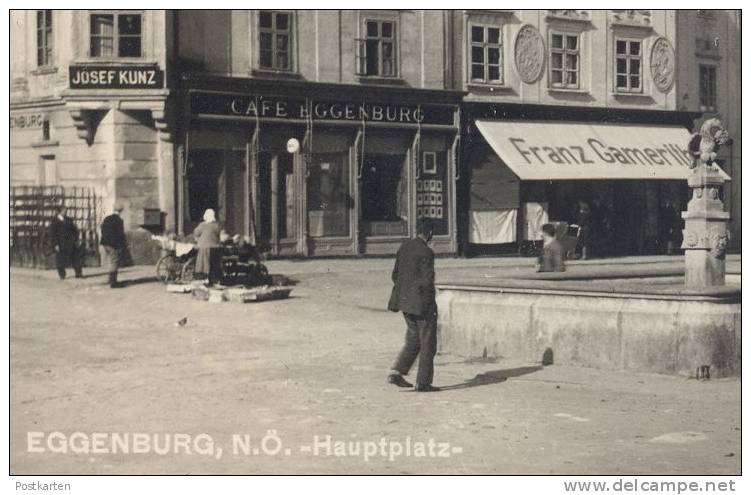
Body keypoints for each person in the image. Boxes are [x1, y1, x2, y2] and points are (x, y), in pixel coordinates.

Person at [386, 217, 439, 392]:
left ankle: (397, 372)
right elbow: (427, 281)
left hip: (404, 302)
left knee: (414, 338)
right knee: (427, 342)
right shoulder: (427, 252)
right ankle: (423, 382)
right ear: (430, 233)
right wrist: (431, 302)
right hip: (422, 304)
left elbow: (395, 275)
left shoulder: (404, 247)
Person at [48, 206, 83, 280]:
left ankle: (78, 273)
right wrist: (55, 244)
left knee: (75, 258)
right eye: (64, 210)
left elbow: (75, 230)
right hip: (60, 243)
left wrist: (76, 239)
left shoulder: (69, 220)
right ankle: (62, 274)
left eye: (66, 210)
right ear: (59, 212)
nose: (66, 212)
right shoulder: (54, 221)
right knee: (60, 259)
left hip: (70, 242)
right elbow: (52, 234)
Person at [193, 208, 223, 286]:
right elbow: (220, 234)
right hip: (214, 247)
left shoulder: (202, 225)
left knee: (204, 264)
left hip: (203, 248)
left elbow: (196, 232)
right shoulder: (217, 225)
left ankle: (204, 279)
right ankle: (214, 280)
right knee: (214, 264)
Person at [100, 203, 127, 288]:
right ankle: (113, 282)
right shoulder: (119, 220)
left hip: (105, 243)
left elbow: (102, 229)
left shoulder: (107, 218)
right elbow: (120, 234)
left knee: (110, 261)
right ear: (121, 210)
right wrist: (121, 245)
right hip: (113, 244)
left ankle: (110, 280)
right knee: (114, 261)